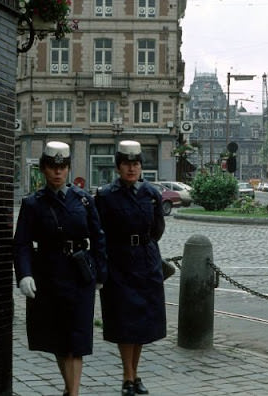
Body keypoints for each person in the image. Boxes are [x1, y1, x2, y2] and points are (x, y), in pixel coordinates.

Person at [13, 141, 107, 396]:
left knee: (76, 338)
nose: (58, 172)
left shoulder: (84, 201)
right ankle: (69, 389)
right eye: (52, 167)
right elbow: (21, 243)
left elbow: (98, 238)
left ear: (68, 169)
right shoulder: (33, 204)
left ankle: (72, 393)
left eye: (63, 167)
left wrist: (100, 273)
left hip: (79, 275)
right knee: (57, 338)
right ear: (44, 169)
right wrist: (25, 274)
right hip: (48, 274)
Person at [95, 140, 166, 396]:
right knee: (124, 321)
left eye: (135, 164)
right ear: (118, 167)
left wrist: (145, 249)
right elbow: (99, 232)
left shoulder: (151, 194)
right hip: (119, 262)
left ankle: (135, 375)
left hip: (146, 261)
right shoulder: (105, 195)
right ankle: (127, 376)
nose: (131, 169)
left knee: (143, 322)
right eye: (126, 164)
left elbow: (157, 229)